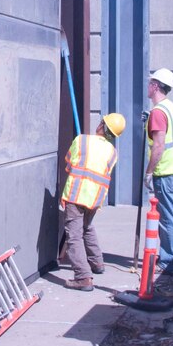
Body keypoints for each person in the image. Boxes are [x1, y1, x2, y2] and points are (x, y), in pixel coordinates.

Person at [61, 113, 125, 291]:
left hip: (76, 194)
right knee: (86, 227)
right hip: (95, 198)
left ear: (102, 126)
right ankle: (97, 263)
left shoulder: (81, 140)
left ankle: (83, 277)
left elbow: (68, 163)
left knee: (74, 235)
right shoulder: (113, 152)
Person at [144, 67, 173, 275]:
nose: (148, 86)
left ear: (155, 86)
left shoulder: (158, 113)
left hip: (165, 170)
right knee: (170, 215)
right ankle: (172, 255)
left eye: (150, 82)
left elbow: (159, 146)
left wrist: (149, 171)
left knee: (167, 217)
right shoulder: (170, 107)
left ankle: (170, 260)